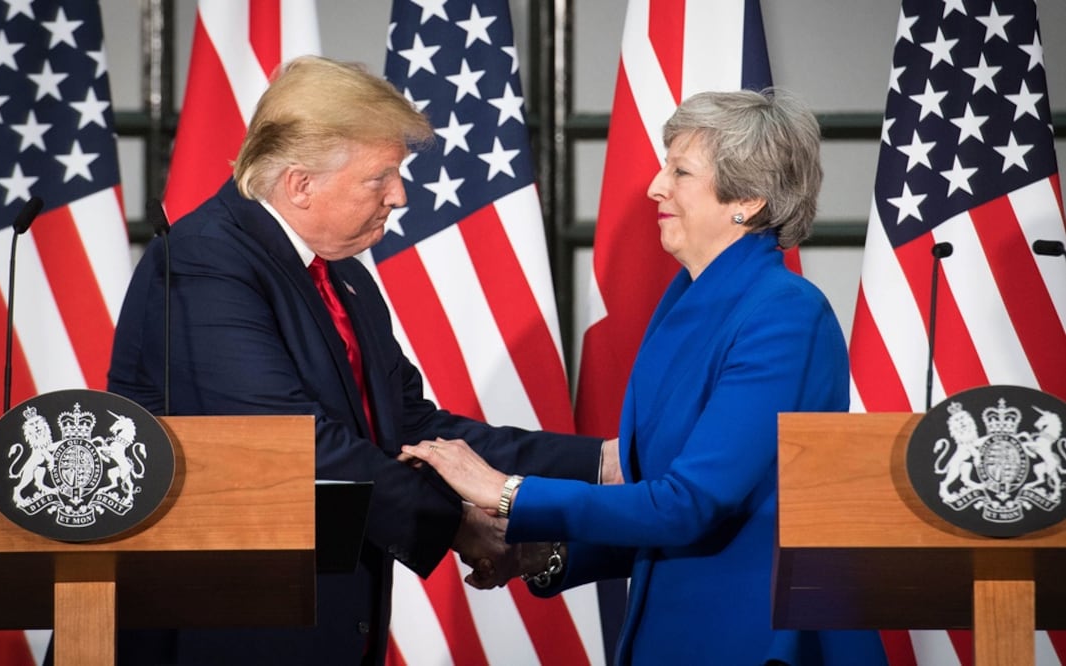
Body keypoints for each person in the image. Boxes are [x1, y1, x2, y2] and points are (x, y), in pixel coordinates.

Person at [106, 55, 617, 665]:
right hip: (214, 633)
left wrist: (598, 461)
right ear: (300, 184)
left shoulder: (342, 275)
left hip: (321, 625)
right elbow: (293, 445)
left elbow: (411, 428)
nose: (400, 196)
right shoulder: (203, 261)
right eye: (382, 176)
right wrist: (457, 524)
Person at [401, 89, 889, 665]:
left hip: (751, 642)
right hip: (672, 635)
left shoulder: (783, 313)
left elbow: (690, 506)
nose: (656, 186)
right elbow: (672, 509)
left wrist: (507, 493)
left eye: (680, 171)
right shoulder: (690, 301)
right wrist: (545, 554)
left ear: (749, 199)